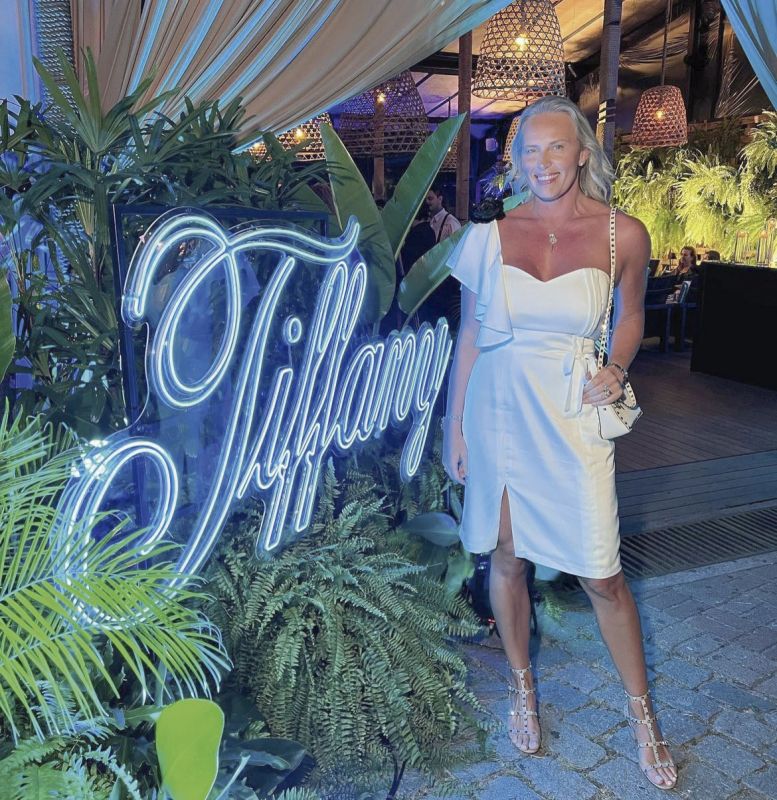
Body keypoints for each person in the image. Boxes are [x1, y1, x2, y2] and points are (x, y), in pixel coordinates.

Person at [441, 96, 677, 791]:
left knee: (602, 572)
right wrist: (453, 426)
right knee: (507, 556)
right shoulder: (488, 235)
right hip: (498, 407)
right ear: (515, 161)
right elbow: (469, 335)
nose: (541, 163)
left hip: (572, 409)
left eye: (554, 148)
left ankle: (643, 719)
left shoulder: (622, 234)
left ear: (580, 153)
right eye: (528, 151)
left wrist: (617, 367)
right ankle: (522, 689)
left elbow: (629, 317)